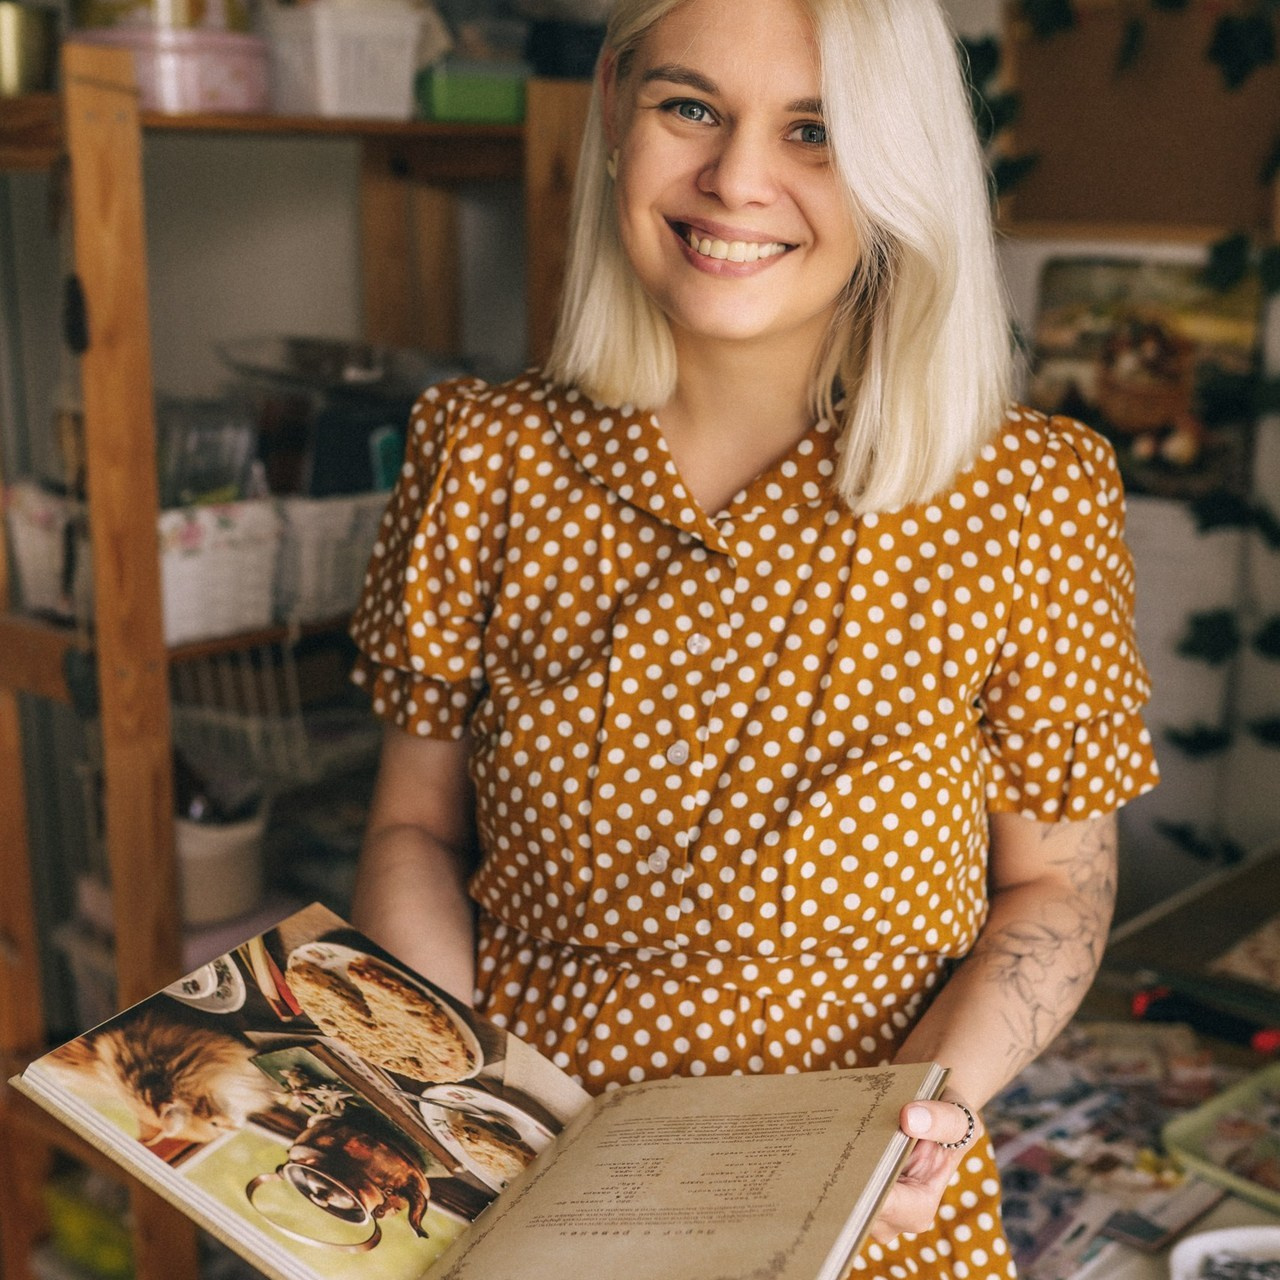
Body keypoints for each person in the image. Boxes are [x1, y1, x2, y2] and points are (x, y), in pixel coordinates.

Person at [347, 0, 1160, 1274]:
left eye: (814, 130)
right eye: (690, 108)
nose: (736, 180)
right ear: (615, 107)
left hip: (864, 1203)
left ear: (900, 162)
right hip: (531, 1189)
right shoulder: (483, 452)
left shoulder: (1027, 494)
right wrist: (468, 1096)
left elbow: (1056, 886)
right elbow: (413, 829)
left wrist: (909, 1123)